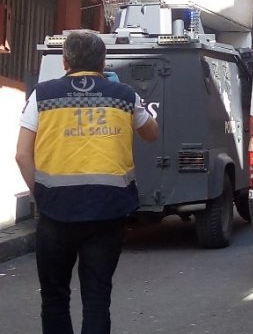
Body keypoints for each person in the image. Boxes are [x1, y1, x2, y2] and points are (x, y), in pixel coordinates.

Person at [15, 31, 160, 334]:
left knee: (54, 298)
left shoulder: (41, 96)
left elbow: (22, 155)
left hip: (55, 213)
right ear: (103, 61)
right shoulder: (123, 95)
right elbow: (152, 133)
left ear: (65, 61)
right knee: (96, 299)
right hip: (108, 213)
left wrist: (40, 194)